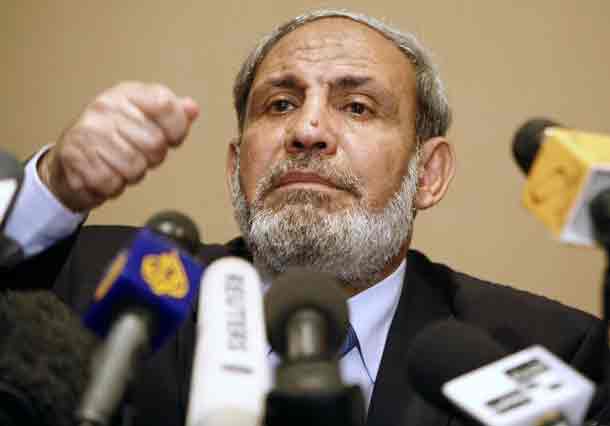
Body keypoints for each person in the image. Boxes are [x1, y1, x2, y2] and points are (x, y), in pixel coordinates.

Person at [3, 9, 609, 426]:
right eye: (280, 104)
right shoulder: (95, 283)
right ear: (236, 165)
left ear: (428, 174)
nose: (308, 129)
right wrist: (54, 187)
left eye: (357, 106)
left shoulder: (546, 350)